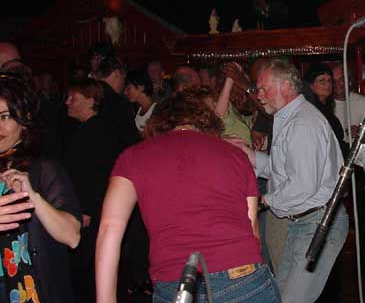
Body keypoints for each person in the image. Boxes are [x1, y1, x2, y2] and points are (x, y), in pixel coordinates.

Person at [95, 91, 280, 303]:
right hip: (242, 277)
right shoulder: (235, 155)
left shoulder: (133, 157)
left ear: (158, 124)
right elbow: (252, 226)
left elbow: (109, 229)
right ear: (207, 122)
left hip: (175, 282)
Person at [233, 58, 348, 303]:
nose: (258, 95)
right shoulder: (289, 117)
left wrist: (263, 201)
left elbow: (302, 186)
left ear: (285, 86)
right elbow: (282, 170)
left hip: (317, 221)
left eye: (263, 89)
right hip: (306, 222)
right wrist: (250, 155)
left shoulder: (302, 123)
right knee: (282, 297)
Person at [0, 73, 82, 302]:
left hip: (26, 288)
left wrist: (33, 197)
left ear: (24, 121)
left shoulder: (42, 169)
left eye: (5, 117)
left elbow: (72, 236)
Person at [63, 78, 122, 302]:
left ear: (90, 101)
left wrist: (86, 208)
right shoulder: (85, 129)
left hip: (90, 210)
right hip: (85, 206)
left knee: (86, 265)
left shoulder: (97, 131)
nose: (68, 102)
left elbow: (96, 174)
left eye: (73, 98)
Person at [124, 69, 156, 135]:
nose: (125, 92)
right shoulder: (138, 108)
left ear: (141, 87)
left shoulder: (156, 110)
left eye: (128, 88)